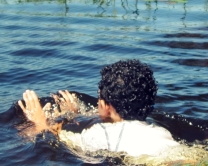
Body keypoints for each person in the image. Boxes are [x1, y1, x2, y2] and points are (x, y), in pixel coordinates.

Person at [18, 59, 180, 157]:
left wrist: (39, 123)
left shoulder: (97, 135)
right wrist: (74, 116)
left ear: (104, 106)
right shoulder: (159, 131)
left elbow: (58, 138)